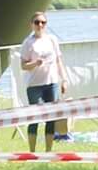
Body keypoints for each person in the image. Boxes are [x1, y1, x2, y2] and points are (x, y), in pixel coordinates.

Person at [19, 12, 67, 150]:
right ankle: (32, 152)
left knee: (51, 118)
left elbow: (59, 61)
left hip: (51, 83)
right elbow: (23, 66)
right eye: (37, 22)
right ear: (32, 25)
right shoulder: (28, 42)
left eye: (43, 22)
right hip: (34, 85)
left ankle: (48, 151)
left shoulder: (52, 39)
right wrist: (35, 63)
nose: (40, 25)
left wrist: (64, 80)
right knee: (35, 118)